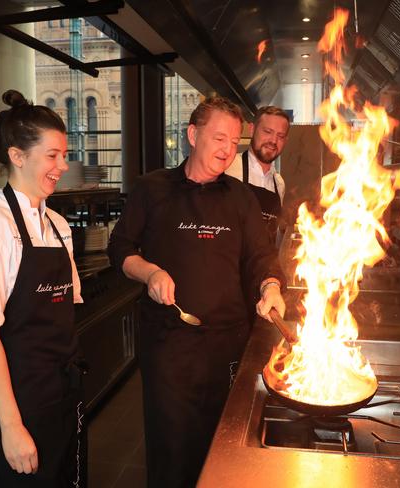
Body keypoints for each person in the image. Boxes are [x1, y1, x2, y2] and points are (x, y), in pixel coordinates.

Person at [108, 96, 287, 488]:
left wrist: (271, 286)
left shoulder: (241, 198)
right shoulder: (152, 189)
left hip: (227, 345)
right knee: (172, 449)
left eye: (234, 141)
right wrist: (150, 271)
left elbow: (261, 255)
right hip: (169, 345)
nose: (227, 150)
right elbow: (119, 248)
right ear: (192, 134)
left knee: (223, 445)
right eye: (218, 138)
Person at [0, 89, 86, 488]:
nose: (63, 165)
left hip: (64, 394)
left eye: (64, 154)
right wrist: (11, 427)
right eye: (52, 155)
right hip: (20, 402)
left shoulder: (59, 227)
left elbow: (66, 310)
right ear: (17, 156)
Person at [225, 106, 290, 247]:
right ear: (252, 129)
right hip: (231, 265)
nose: (273, 141)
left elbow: (275, 235)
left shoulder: (279, 183)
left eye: (280, 136)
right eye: (268, 132)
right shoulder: (228, 168)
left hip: (264, 266)